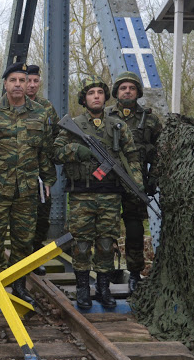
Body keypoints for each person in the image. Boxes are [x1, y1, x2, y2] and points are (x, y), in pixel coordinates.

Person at [53, 76, 143, 310]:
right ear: (84, 98)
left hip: (110, 194)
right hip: (81, 194)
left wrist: (137, 183)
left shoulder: (117, 126)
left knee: (105, 243)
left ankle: (103, 287)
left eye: (100, 93)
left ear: (105, 97)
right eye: (91, 93)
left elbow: (132, 156)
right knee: (81, 244)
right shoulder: (74, 125)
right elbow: (56, 152)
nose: (96, 96)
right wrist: (77, 150)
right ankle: (83, 287)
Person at [0, 62, 56, 305]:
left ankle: (19, 285)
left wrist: (48, 179)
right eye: (13, 80)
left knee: (23, 240)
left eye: (22, 81)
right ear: (5, 83)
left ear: (29, 84)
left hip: (26, 189)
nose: (18, 85)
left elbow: (44, 150)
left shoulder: (40, 113)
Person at [105, 71, 162, 294]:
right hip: (108, 182)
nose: (127, 91)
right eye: (123, 88)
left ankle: (135, 274)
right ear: (116, 92)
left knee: (135, 230)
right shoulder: (106, 115)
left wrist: (154, 178)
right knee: (106, 229)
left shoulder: (150, 119)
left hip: (137, 182)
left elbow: (161, 151)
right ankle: (105, 271)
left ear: (137, 92)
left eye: (131, 88)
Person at [25, 64, 60, 275]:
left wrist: (49, 175)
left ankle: (36, 255)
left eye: (35, 81)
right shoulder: (5, 105)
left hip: (40, 172)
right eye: (27, 80)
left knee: (41, 215)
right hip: (15, 171)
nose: (30, 85)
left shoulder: (46, 107)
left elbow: (55, 138)